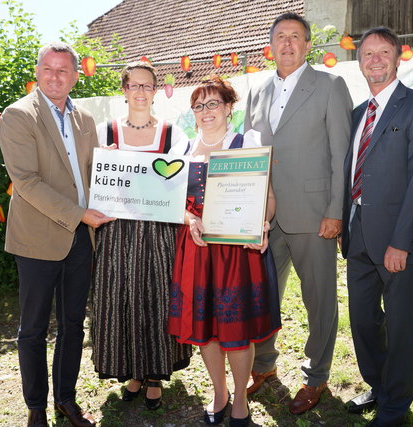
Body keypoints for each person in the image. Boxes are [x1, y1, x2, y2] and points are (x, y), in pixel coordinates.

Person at [0, 42, 113, 427]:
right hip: (37, 238)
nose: (55, 76)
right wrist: (79, 213)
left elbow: (94, 170)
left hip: (81, 237)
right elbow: (26, 181)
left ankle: (66, 399)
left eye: (63, 70)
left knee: (72, 324)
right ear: (37, 71)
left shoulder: (84, 119)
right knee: (31, 329)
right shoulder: (18, 115)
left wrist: (116, 168)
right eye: (48, 68)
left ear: (76, 76)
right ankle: (35, 408)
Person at [243, 12, 353, 414]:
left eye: (295, 37)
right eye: (280, 37)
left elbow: (342, 154)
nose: (287, 43)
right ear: (269, 46)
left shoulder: (329, 86)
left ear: (308, 46)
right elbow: (249, 156)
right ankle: (264, 368)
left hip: (314, 214)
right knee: (262, 297)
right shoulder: (256, 91)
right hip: (265, 218)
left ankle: (316, 376)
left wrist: (335, 211)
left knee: (319, 299)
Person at [340, 27, 413, 427]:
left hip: (400, 241)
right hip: (358, 236)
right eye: (368, 53)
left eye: (384, 52)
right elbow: (350, 173)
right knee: (364, 320)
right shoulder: (356, 114)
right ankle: (378, 385)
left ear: (398, 58)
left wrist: (402, 241)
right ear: (360, 61)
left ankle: (396, 405)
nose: (376, 60)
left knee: (401, 326)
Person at [168, 76, 281, 427]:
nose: (205, 112)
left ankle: (241, 396)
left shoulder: (245, 143)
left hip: (236, 253)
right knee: (207, 330)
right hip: (198, 250)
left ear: (229, 106)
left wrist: (261, 223)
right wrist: (189, 219)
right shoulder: (182, 150)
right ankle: (219, 392)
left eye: (213, 103)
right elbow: (170, 202)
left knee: (236, 331)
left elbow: (269, 199)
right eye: (199, 106)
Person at [90, 61, 192, 410]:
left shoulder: (172, 134)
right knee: (122, 298)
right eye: (133, 85)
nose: (140, 91)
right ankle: (133, 369)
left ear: (155, 91)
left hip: (158, 230)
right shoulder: (104, 133)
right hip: (116, 231)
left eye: (147, 86)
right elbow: (95, 181)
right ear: (124, 90)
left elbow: (178, 182)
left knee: (156, 297)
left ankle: (154, 375)